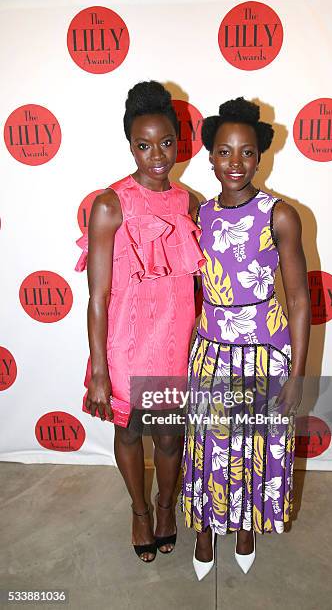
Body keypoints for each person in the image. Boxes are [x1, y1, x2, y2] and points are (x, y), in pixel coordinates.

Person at [180, 97, 311, 580]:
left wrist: (296, 375)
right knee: (209, 444)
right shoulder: (200, 214)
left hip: (266, 350)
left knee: (256, 443)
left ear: (261, 156)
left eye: (247, 152)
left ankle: (246, 526)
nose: (235, 163)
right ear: (209, 155)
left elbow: (298, 300)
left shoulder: (280, 215)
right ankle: (204, 530)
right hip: (212, 349)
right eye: (223, 152)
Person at [75, 81, 204, 563]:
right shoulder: (110, 204)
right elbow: (98, 295)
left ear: (179, 141)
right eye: (144, 145)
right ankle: (139, 511)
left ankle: (166, 507)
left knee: (169, 434)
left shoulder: (188, 203)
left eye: (166, 142)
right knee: (129, 432)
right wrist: (100, 369)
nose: (157, 155)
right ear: (130, 145)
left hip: (173, 341)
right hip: (126, 345)